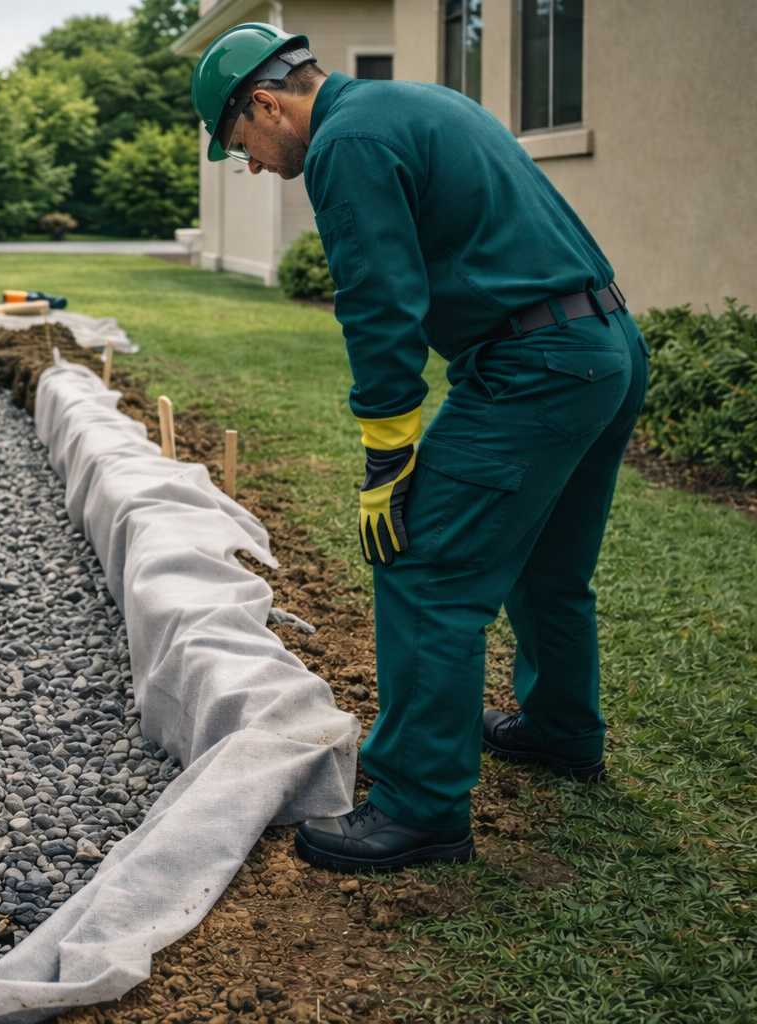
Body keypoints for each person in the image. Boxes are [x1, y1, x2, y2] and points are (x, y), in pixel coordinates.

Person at [190, 23, 648, 872]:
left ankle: (419, 807)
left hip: (534, 365)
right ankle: (559, 731)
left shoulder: (345, 144)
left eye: (239, 143)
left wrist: (387, 459)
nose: (250, 163)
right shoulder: (414, 102)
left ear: (265, 103)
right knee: (549, 564)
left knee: (424, 564)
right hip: (605, 344)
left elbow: (378, 303)